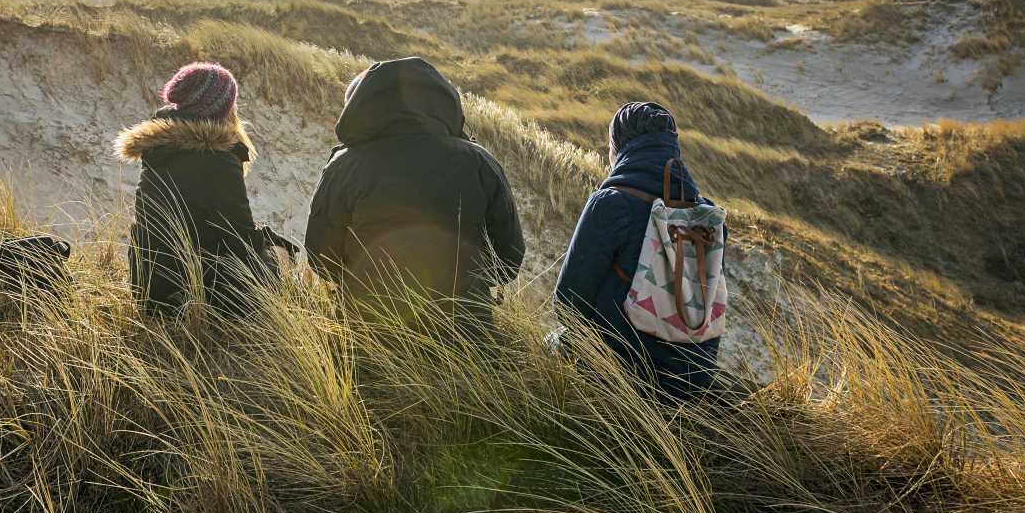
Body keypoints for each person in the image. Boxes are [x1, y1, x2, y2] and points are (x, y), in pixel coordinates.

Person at [305, 57, 525, 323]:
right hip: (466, 335)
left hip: (367, 336)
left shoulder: (345, 166)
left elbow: (321, 258)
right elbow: (508, 259)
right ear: (442, 102)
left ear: (362, 107)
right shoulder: (479, 161)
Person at [552, 101, 720, 398]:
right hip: (693, 381)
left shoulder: (610, 203)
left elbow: (567, 306)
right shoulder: (706, 216)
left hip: (625, 378)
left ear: (619, 148)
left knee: (553, 341)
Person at [115, 62, 278, 318]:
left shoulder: (159, 149)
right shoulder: (216, 159)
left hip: (149, 287)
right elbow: (239, 238)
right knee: (276, 254)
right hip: (191, 298)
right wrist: (271, 250)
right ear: (221, 108)